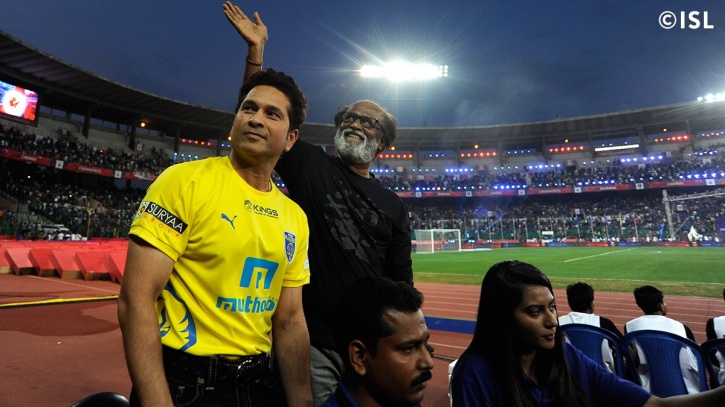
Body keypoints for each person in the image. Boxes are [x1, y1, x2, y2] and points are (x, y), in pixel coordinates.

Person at [224, 3, 414, 405]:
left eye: (369, 122)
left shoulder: (394, 206)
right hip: (314, 344)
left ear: (385, 143)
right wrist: (256, 55)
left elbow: (402, 285)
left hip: (369, 349)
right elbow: (260, 118)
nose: (356, 124)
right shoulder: (309, 163)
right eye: (350, 117)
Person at [117, 68, 312, 407]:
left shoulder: (295, 218)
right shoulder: (182, 182)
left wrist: (303, 402)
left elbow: (291, 321)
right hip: (187, 383)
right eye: (248, 109)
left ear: (290, 138)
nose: (255, 119)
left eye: (272, 113)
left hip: (260, 385)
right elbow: (136, 300)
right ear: (234, 121)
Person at [449, 260, 725, 407]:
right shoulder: (475, 374)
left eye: (553, 307)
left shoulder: (567, 356)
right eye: (535, 311)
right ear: (503, 317)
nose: (552, 321)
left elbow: (653, 405)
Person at [320, 276, 433, 407]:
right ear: (360, 357)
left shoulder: (404, 400)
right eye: (408, 348)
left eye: (425, 344)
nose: (428, 363)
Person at [625, 285, 700, 394]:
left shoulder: (630, 326)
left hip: (648, 388)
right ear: (660, 305)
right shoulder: (682, 328)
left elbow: (632, 358)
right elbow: (695, 356)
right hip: (688, 388)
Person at [559, 281, 622, 372]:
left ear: (570, 303)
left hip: (571, 377)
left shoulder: (559, 323)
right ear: (591, 304)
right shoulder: (604, 323)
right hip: (603, 377)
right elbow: (624, 348)